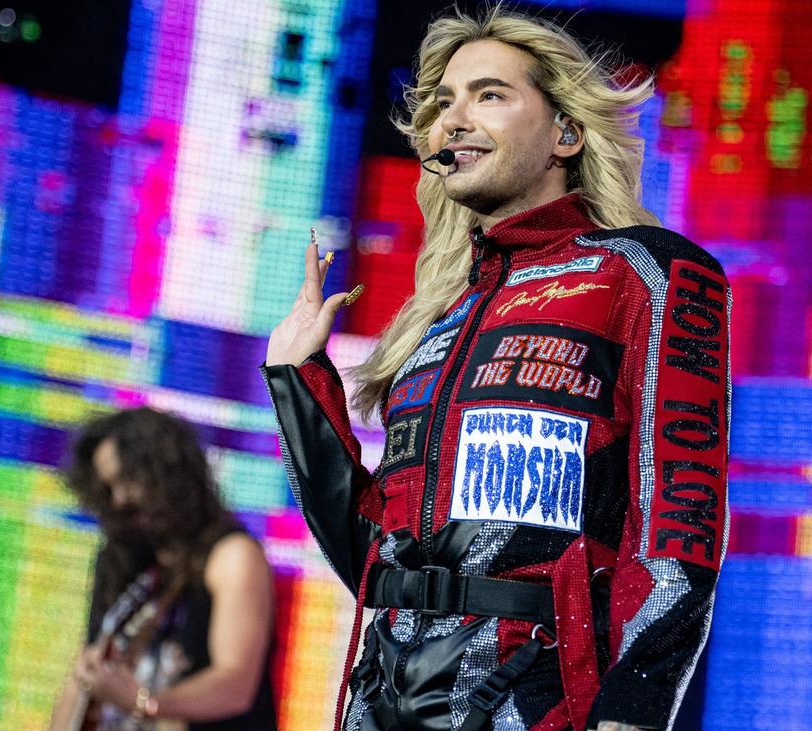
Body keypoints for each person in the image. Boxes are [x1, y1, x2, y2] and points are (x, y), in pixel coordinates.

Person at [262, 7, 730, 731]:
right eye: (444, 102)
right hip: (377, 704)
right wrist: (298, 381)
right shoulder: (438, 319)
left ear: (566, 133)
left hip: (532, 702)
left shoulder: (646, 272)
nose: (452, 119)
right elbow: (372, 557)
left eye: (489, 95)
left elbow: (679, 517)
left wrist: (635, 707)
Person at [48, 407, 278, 731]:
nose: (120, 499)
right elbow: (86, 673)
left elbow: (235, 685)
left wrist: (144, 703)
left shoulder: (231, 556)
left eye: (129, 480)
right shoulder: (121, 558)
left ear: (168, 473)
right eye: (108, 489)